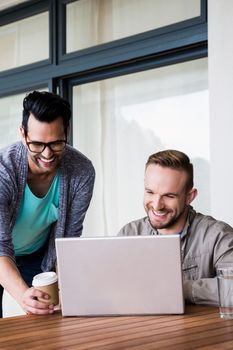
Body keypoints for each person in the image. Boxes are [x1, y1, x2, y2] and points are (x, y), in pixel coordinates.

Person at [0, 91, 95, 317]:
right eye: (37, 144)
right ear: (23, 135)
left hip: (38, 254)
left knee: (48, 316)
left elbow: (68, 239)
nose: (47, 154)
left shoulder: (81, 172)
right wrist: (23, 296)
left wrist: (64, 286)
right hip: (2, 253)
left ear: (67, 133)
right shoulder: (3, 171)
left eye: (56, 143)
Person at [118, 149, 233, 306]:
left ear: (189, 197)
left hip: (200, 329)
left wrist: (180, 289)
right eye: (150, 192)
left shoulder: (218, 235)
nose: (157, 205)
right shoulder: (128, 234)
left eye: (169, 196)